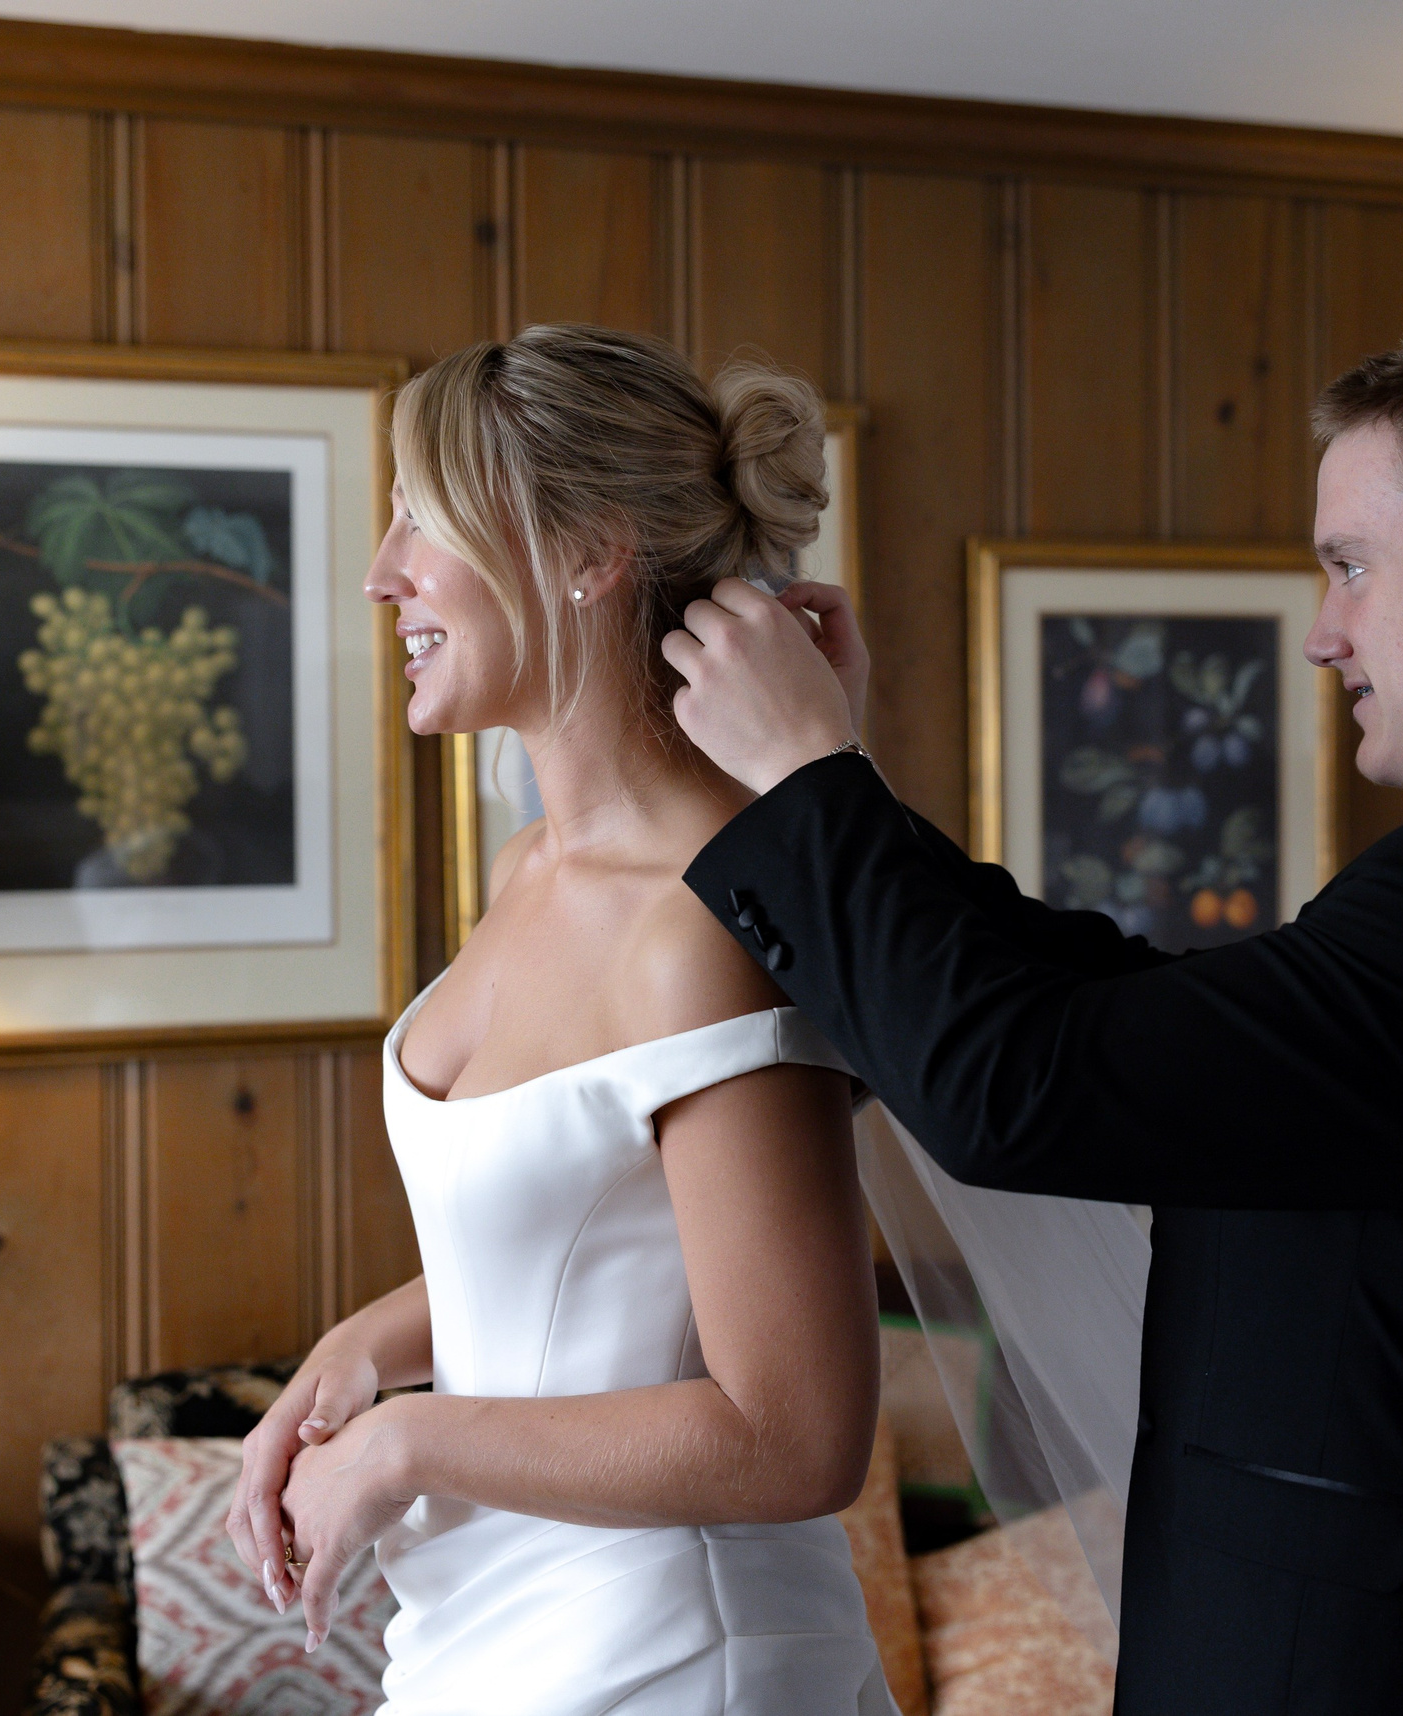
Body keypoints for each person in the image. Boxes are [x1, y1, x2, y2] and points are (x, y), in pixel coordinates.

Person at [663, 289, 1403, 1714]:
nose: (1324, 631)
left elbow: (1024, 1092)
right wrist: (841, 789)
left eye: (1353, 565)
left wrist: (814, 789)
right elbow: (1147, 1013)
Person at [222, 325, 897, 1716]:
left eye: (422, 517)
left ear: (590, 553)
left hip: (669, 1655)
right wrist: (360, 1348)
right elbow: (591, 1248)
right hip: (485, 1637)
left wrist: (411, 1446)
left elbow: (795, 1434)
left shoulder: (708, 919)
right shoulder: (527, 874)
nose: (380, 573)